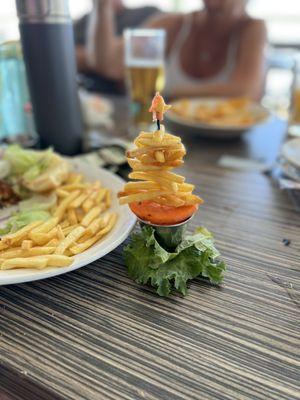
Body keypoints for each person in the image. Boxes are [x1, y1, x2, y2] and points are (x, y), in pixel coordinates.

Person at [89, 0, 267, 100]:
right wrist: (102, 6)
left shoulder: (253, 29)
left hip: (227, 150)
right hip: (163, 139)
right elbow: (110, 64)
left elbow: (244, 92)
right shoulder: (173, 24)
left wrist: (167, 94)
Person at [74, 0, 160, 93]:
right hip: (87, 93)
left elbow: (114, 62)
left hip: (124, 96)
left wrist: (98, 56)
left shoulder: (147, 13)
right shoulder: (82, 23)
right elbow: (68, 59)